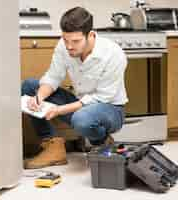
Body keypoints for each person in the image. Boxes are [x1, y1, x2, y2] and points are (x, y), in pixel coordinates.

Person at [21, 7, 128, 169]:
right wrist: (39, 97)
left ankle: (102, 142)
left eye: (75, 41)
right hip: (80, 104)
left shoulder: (113, 54)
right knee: (30, 86)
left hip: (111, 109)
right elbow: (53, 77)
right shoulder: (64, 46)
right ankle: (53, 147)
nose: (69, 46)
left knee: (82, 119)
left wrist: (59, 110)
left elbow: (100, 98)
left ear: (90, 35)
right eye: (66, 40)